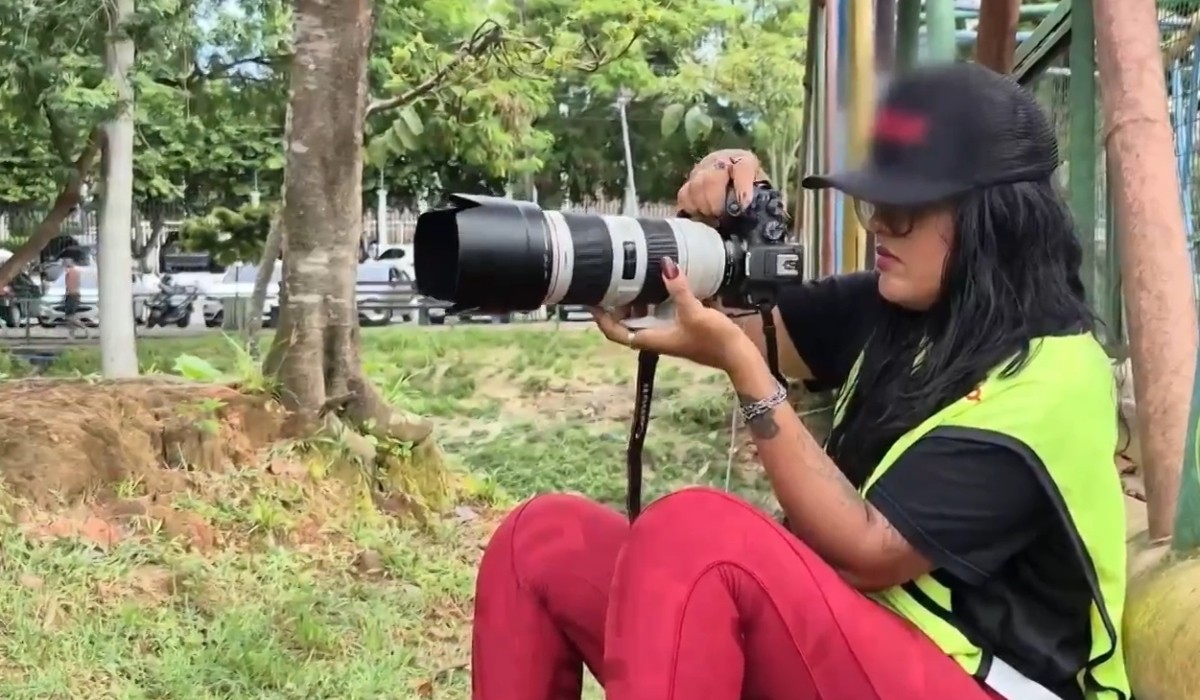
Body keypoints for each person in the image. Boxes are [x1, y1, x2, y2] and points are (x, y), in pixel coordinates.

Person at [471, 63, 1132, 700]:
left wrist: (744, 368)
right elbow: (745, 325)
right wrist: (713, 233)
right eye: (874, 201)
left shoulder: (1057, 375)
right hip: (855, 653)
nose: (878, 224)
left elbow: (867, 551)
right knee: (540, 541)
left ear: (996, 220)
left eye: (905, 208)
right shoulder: (899, 308)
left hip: (983, 681)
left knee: (698, 536)